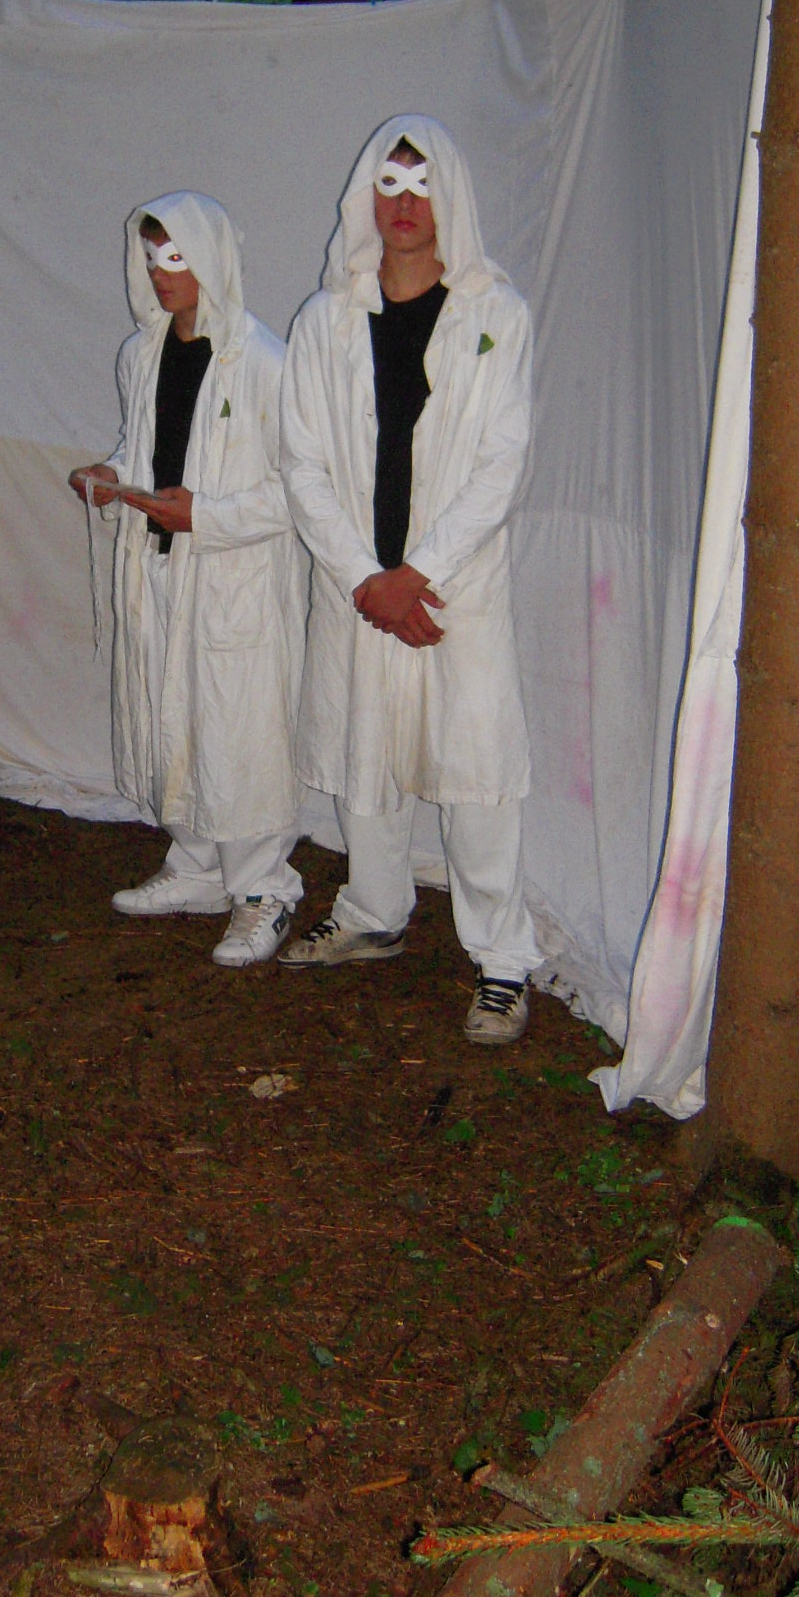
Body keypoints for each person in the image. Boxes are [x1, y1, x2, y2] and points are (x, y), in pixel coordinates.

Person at [277, 116, 543, 1044]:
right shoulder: (324, 321)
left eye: (421, 185)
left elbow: (502, 464)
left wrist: (417, 574)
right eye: (387, 185)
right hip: (360, 591)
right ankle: (373, 911)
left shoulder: (497, 316)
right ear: (365, 197)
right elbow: (302, 464)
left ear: (451, 197)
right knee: (368, 759)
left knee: (475, 775)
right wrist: (366, 577)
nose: (404, 204)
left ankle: (503, 959)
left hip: (449, 591)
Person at [70, 193, 307, 968]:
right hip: (159, 569)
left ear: (212, 257)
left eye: (176, 257)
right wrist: (114, 474)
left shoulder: (265, 362)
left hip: (235, 578)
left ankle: (264, 887)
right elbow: (143, 444)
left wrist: (207, 515)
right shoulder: (140, 355)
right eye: (151, 259)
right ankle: (198, 864)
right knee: (170, 713)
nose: (161, 274)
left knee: (240, 727)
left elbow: (301, 488)